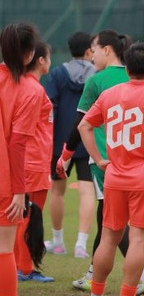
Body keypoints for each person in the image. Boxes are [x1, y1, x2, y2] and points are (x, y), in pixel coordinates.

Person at [78, 42, 144, 296]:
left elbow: (84, 125)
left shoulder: (110, 94)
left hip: (115, 178)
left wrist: (99, 159)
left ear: (128, 67)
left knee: (109, 237)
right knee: (137, 240)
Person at [56, 30, 144, 294]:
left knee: (112, 222)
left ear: (108, 50)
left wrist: (65, 155)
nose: (92, 55)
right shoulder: (138, 79)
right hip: (138, 163)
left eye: (94, 50)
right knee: (107, 218)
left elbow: (81, 123)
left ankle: (140, 277)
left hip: (105, 161)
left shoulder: (97, 80)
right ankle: (93, 274)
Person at [0, 22, 43, 296]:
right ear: (29, 55)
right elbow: (17, 144)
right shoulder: (31, 90)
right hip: (5, 182)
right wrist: (19, 190)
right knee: (4, 249)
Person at [44, 31, 96, 259]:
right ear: (88, 51)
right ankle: (81, 245)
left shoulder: (57, 74)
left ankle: (57, 242)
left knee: (57, 191)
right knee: (87, 192)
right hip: (87, 140)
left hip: (59, 143)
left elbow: (49, 107)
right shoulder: (97, 76)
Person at [15, 41, 54, 283]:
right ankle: (24, 268)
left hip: (34, 159)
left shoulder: (27, 85)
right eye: (48, 57)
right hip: (33, 160)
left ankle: (23, 265)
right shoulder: (32, 89)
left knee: (26, 214)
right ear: (40, 60)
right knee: (28, 215)